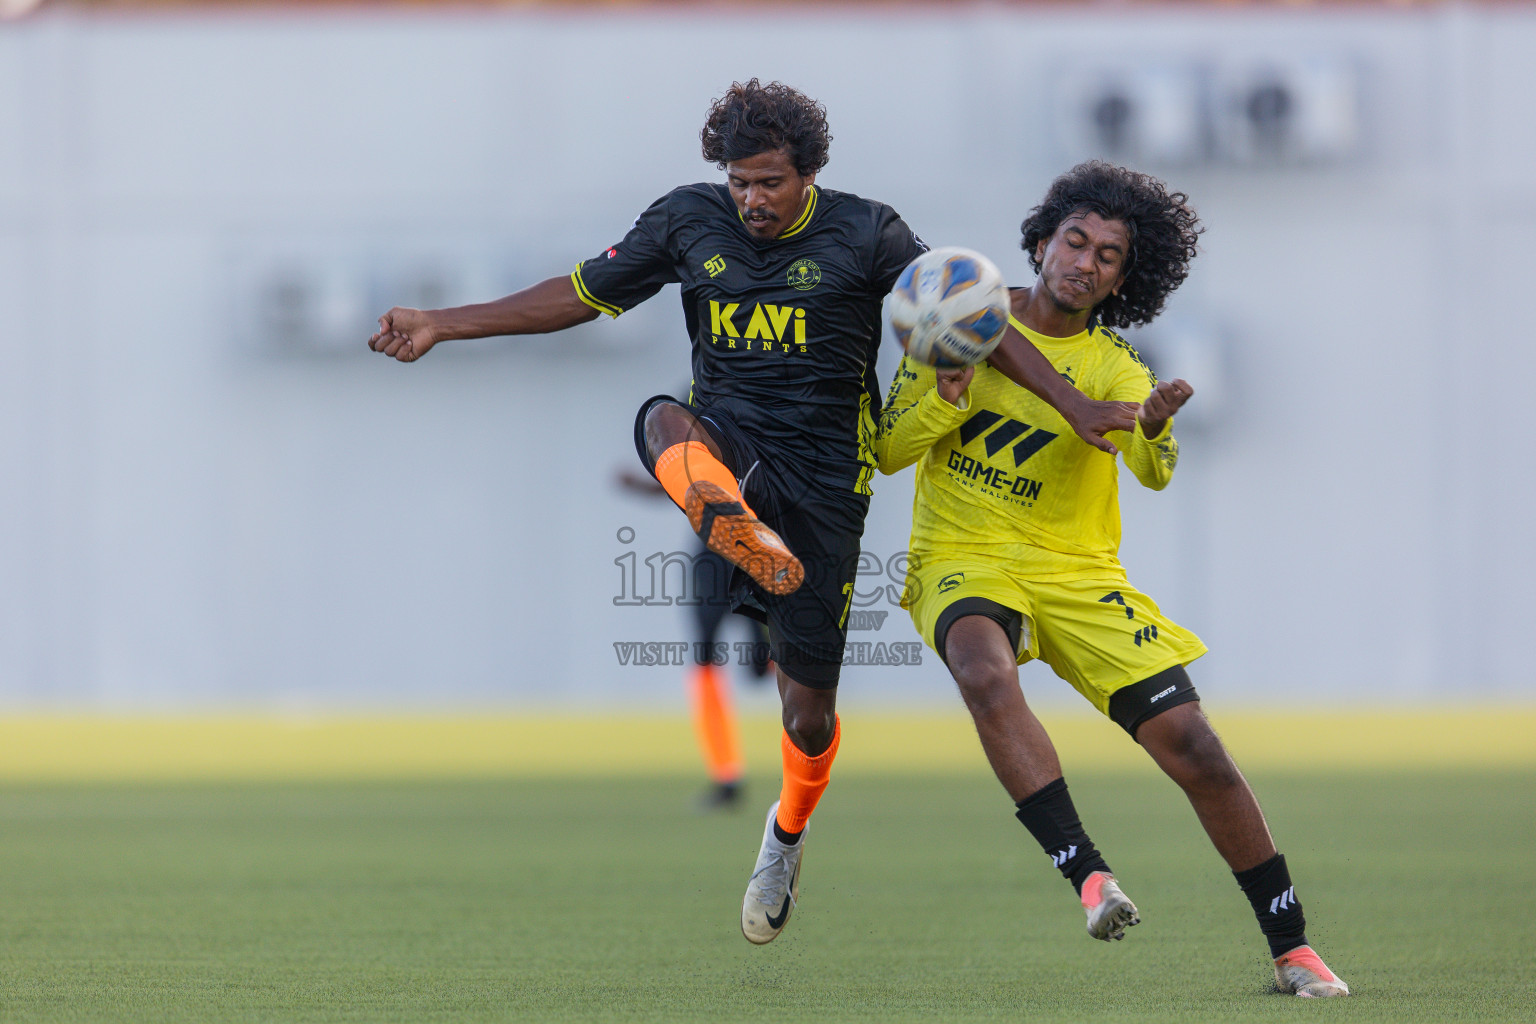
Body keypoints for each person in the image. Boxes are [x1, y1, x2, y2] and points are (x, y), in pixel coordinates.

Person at [368, 80, 1135, 946]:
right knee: (661, 416)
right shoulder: (687, 220)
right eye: (739, 182)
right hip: (728, 442)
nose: (751, 200)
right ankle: (726, 519)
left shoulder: (868, 230)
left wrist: (1073, 403)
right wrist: (441, 321)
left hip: (824, 485)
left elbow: (977, 315)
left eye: (769, 182)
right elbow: (580, 294)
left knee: (806, 716)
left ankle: (786, 835)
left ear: (808, 174)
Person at [873, 161, 1349, 997]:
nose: (1084, 261)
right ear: (1042, 241)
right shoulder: (956, 323)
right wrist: (947, 394)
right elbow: (886, 451)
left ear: (1127, 278)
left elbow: (1151, 469)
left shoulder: (1116, 367)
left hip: (1078, 576)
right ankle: (1091, 877)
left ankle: (1293, 950)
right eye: (1075, 240)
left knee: (1196, 749)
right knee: (982, 669)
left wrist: (1156, 426)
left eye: (1108, 255)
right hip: (964, 556)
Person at [615, 465, 775, 810]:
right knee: (705, 660)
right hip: (712, 564)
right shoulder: (709, 436)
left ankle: (805, 755)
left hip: (751, 559)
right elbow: (682, 484)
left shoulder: (759, 435)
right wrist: (644, 486)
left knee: (763, 664)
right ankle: (726, 775)